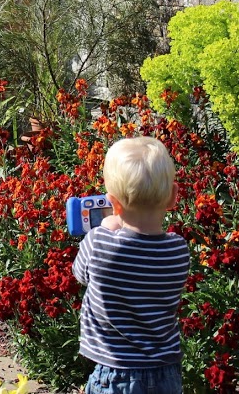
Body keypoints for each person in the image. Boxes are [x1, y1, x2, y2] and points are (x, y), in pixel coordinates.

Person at [72, 136, 190, 394]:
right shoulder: (178, 250)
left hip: (115, 374)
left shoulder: (99, 242)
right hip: (166, 374)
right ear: (173, 197)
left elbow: (80, 274)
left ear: (113, 204)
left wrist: (105, 227)